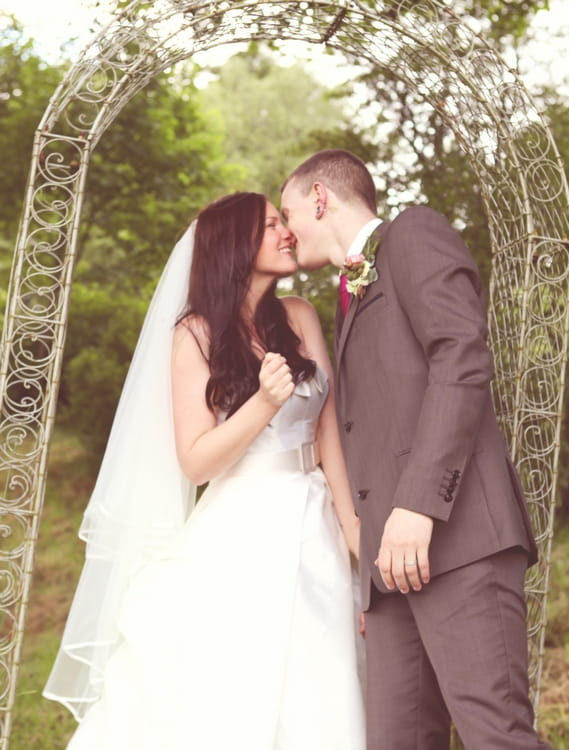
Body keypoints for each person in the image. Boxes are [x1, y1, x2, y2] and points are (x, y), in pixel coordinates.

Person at [44, 192, 366, 750]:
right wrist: (263, 403)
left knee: (320, 675)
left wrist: (352, 526)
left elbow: (326, 429)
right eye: (271, 225)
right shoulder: (193, 334)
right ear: (234, 245)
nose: (286, 232)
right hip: (239, 526)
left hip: (314, 519)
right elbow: (195, 462)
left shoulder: (299, 315)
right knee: (231, 685)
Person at [281, 150, 552, 750]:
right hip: (390, 568)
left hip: (459, 542)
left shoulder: (414, 234)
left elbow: (462, 358)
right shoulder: (346, 293)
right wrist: (367, 580)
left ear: (320, 198)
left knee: (496, 735)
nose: (285, 227)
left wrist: (419, 506)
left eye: (288, 210)